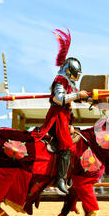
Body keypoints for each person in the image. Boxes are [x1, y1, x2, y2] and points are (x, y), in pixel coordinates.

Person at [31, 29, 89, 194]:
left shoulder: (68, 83)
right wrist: (78, 95)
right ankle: (60, 180)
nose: (77, 76)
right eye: (76, 73)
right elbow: (59, 98)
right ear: (70, 71)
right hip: (58, 117)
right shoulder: (60, 80)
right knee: (67, 145)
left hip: (65, 118)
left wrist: (90, 98)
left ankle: (67, 175)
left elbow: (74, 98)